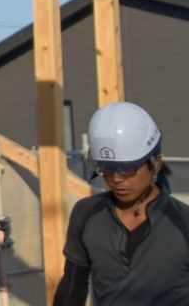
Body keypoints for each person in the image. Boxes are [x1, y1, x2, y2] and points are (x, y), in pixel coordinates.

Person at [54, 101, 189, 305]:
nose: (116, 178)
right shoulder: (87, 214)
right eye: (107, 168)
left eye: (127, 168)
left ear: (156, 163)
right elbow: (73, 287)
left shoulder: (183, 223)